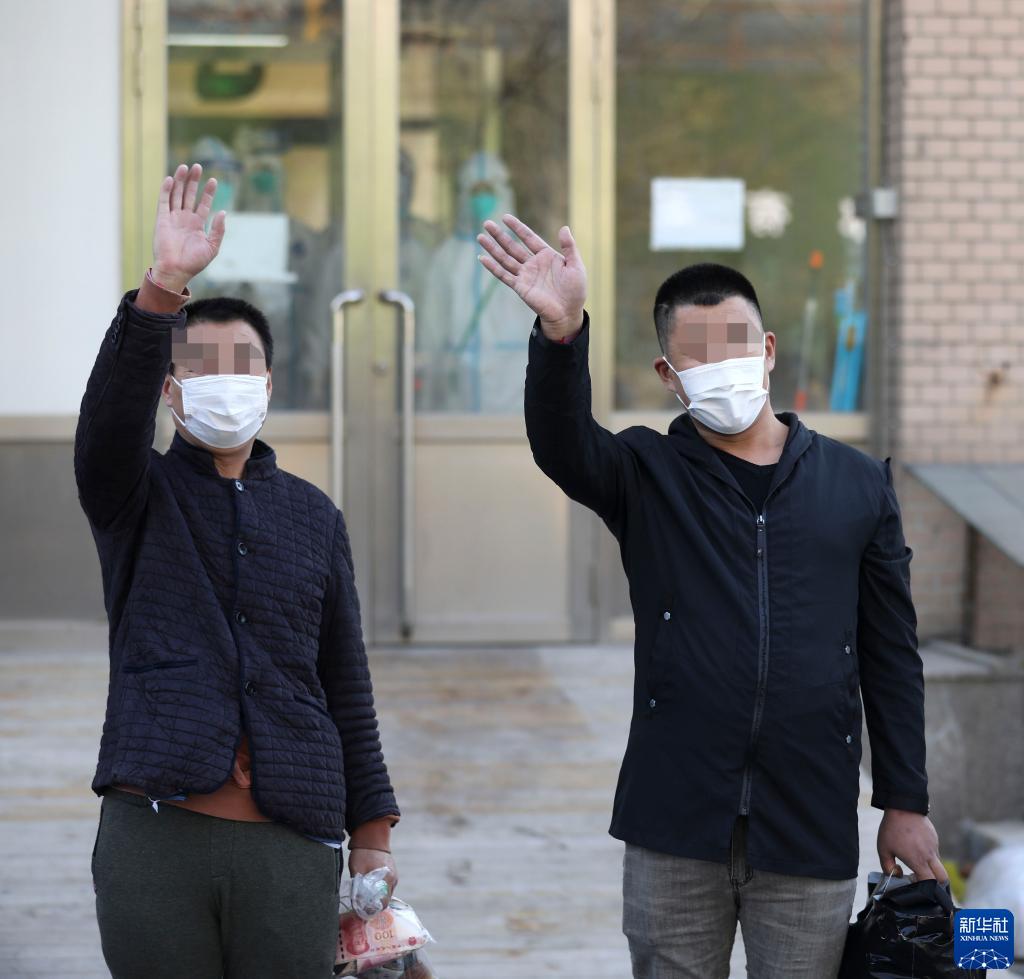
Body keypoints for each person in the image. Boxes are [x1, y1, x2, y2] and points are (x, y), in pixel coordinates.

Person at [477, 214, 945, 979]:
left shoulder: (857, 484)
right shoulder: (644, 472)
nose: (720, 364)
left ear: (768, 350)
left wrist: (905, 799)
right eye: (697, 352)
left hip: (808, 822)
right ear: (668, 373)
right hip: (675, 822)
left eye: (735, 343)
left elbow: (891, 654)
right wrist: (562, 334)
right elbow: (561, 443)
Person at [75, 163, 400, 979]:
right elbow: (107, 426)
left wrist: (373, 835)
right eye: (202, 367)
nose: (225, 383)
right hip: (156, 833)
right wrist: (162, 287)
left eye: (242, 366)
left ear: (269, 383)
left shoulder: (315, 515)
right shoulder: (134, 495)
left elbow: (346, 679)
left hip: (292, 839)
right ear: (170, 389)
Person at [419, 151, 535, 412]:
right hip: (460, 387)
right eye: (475, 191)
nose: (481, 199)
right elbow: (432, 327)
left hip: (515, 380)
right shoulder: (448, 257)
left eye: (488, 190)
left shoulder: (526, 254)